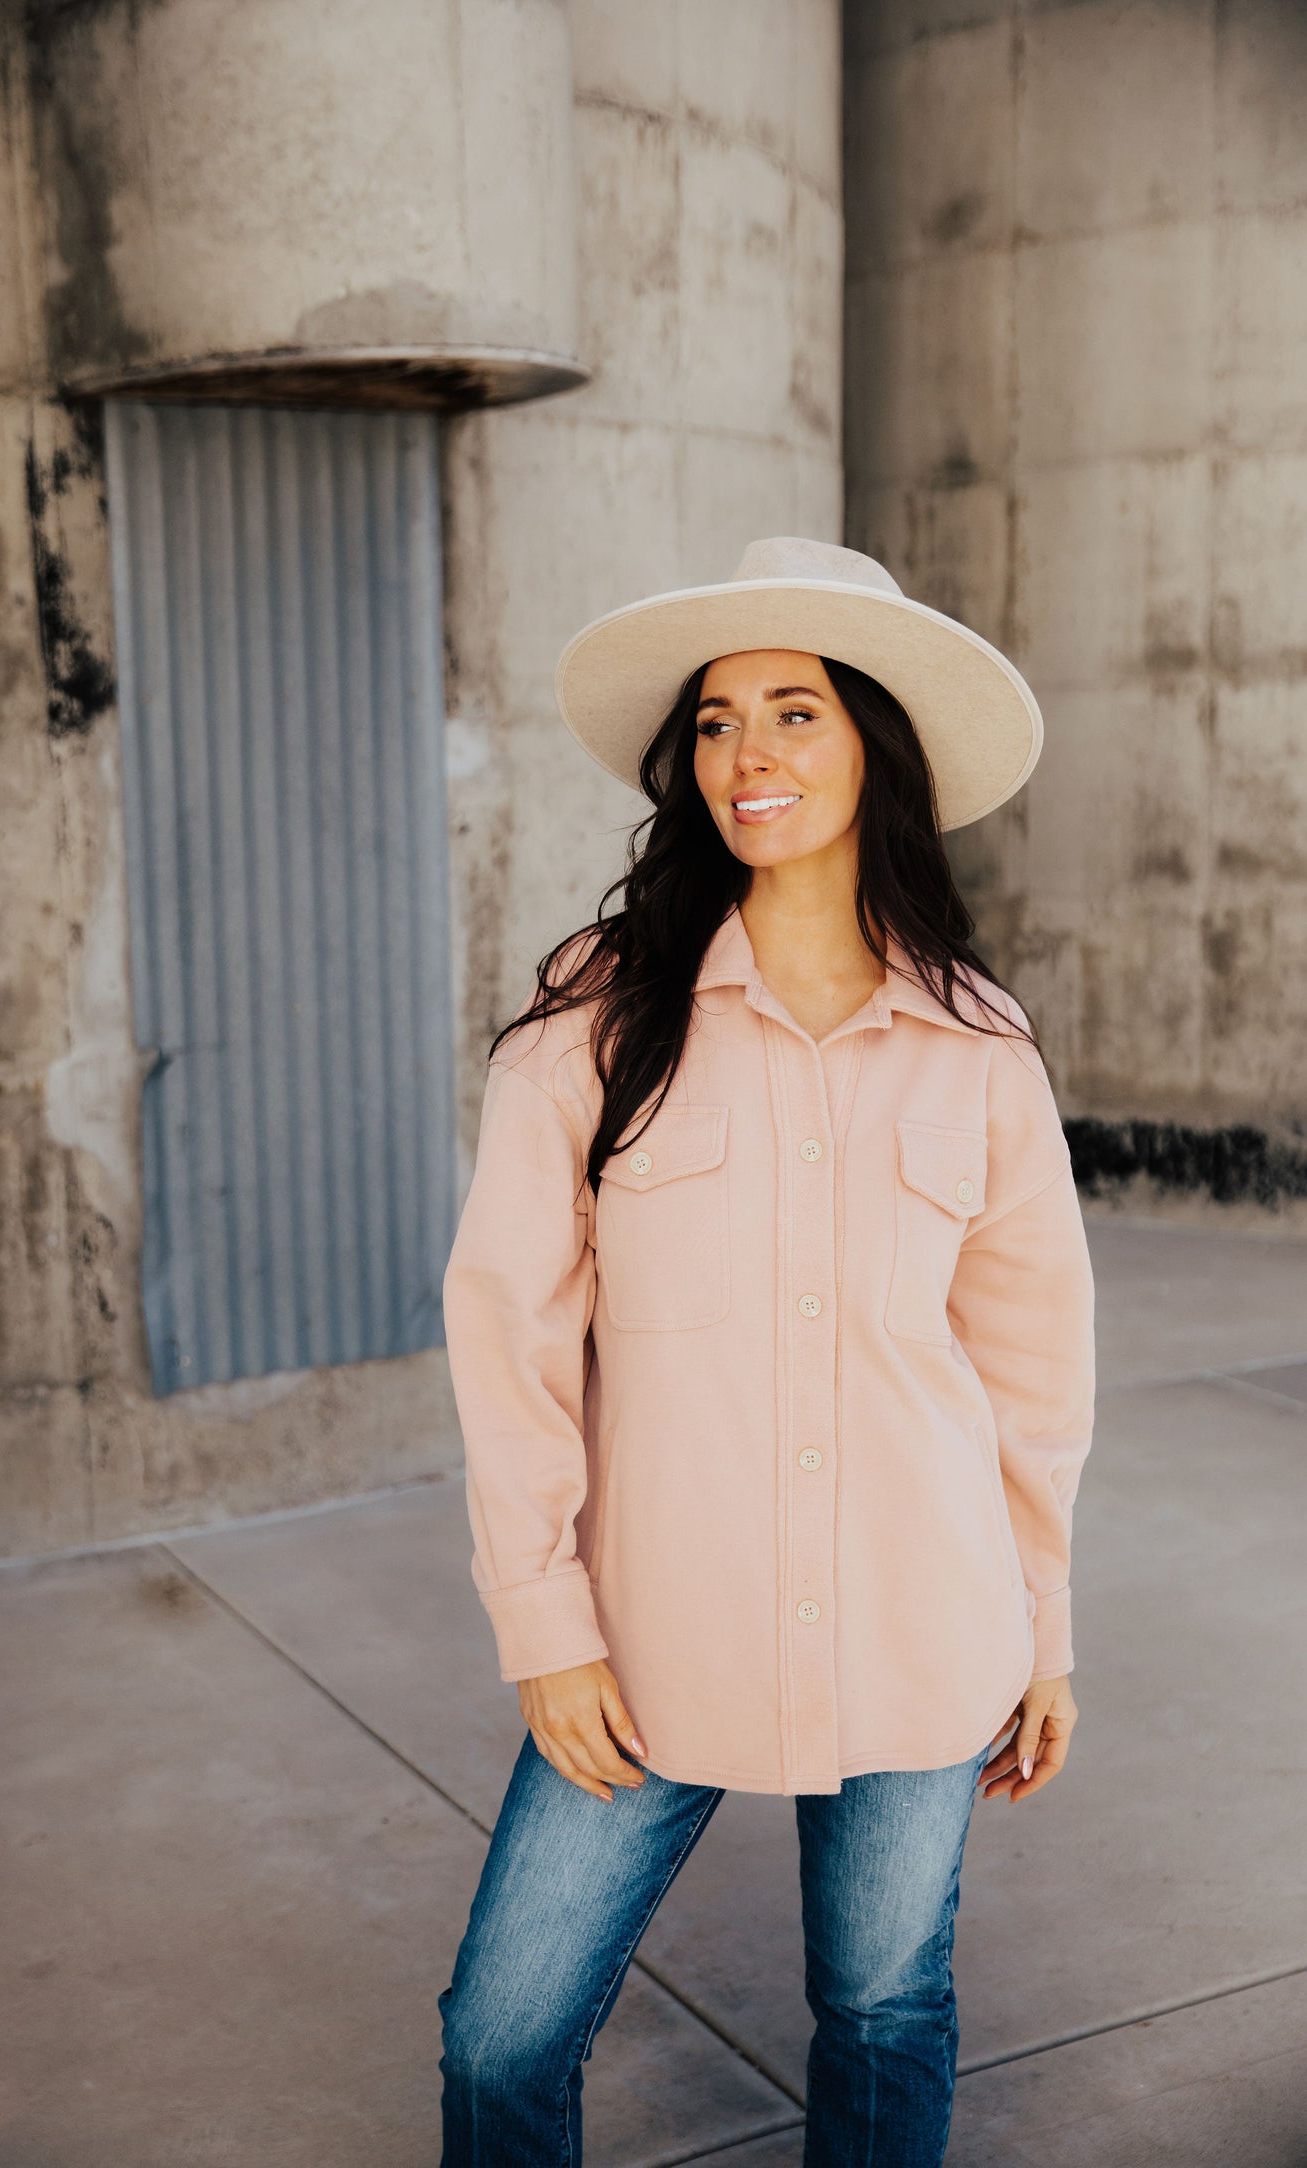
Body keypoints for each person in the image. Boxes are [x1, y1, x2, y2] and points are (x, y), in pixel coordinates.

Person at [435, 538, 1096, 2167]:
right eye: (718, 722)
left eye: (792, 713)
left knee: (883, 2008)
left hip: (922, 1621)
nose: (748, 756)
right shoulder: (595, 1021)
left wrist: (1042, 1628)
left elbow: (1028, 1366)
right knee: (500, 2029)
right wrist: (543, 1621)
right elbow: (505, 1325)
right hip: (653, 1637)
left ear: (872, 743)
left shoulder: (977, 1046)